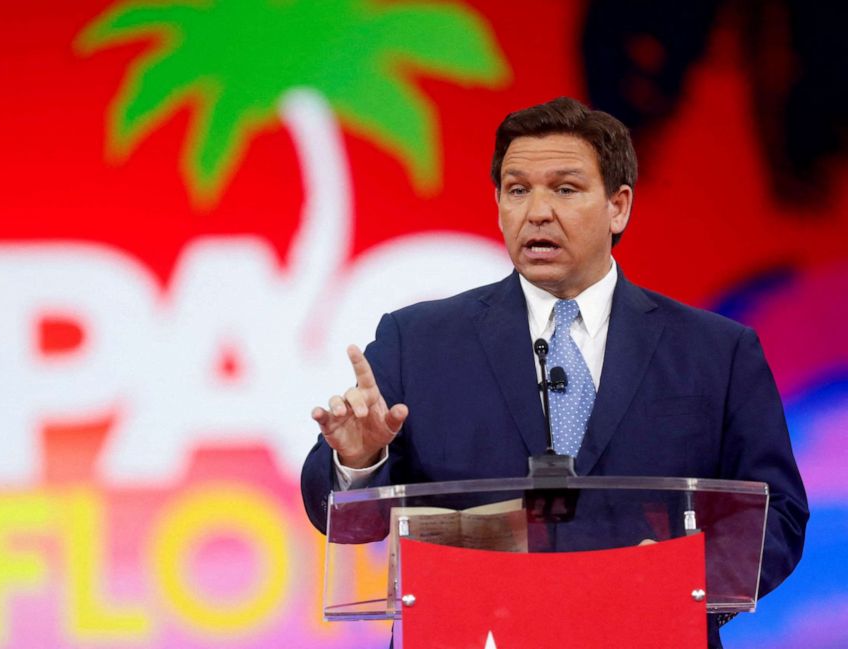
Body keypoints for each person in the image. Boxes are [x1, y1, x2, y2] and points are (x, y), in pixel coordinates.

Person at [300, 97, 808, 647]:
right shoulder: (418, 341)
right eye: (518, 190)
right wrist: (358, 460)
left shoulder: (715, 351)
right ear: (498, 203)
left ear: (619, 207)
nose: (537, 211)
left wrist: (681, 583)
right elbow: (344, 518)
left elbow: (777, 514)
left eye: (564, 189)